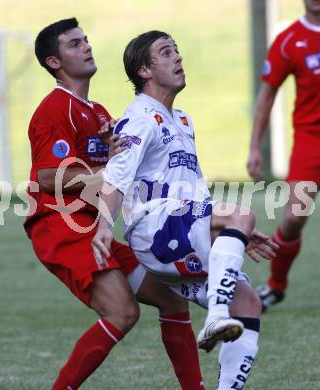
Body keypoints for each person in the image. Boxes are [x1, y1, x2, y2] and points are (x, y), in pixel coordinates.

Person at [24, 18, 207, 390]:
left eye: (86, 40)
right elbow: (47, 177)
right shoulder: (55, 108)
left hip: (93, 227)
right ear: (53, 62)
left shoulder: (100, 113)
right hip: (63, 227)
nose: (87, 47)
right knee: (122, 312)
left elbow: (118, 169)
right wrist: (106, 176)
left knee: (173, 301)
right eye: (74, 44)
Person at [92, 30, 277, 389]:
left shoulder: (183, 120)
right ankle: (216, 317)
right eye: (165, 52)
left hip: (180, 225)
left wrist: (234, 234)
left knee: (249, 304)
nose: (178, 57)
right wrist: (103, 225)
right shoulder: (140, 117)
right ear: (145, 70)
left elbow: (194, 190)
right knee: (241, 212)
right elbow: (116, 176)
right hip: (155, 227)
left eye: (177, 50)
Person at [247, 0, 320, 311]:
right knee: (295, 216)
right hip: (312, 138)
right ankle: (275, 286)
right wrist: (255, 146)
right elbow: (267, 93)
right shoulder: (288, 41)